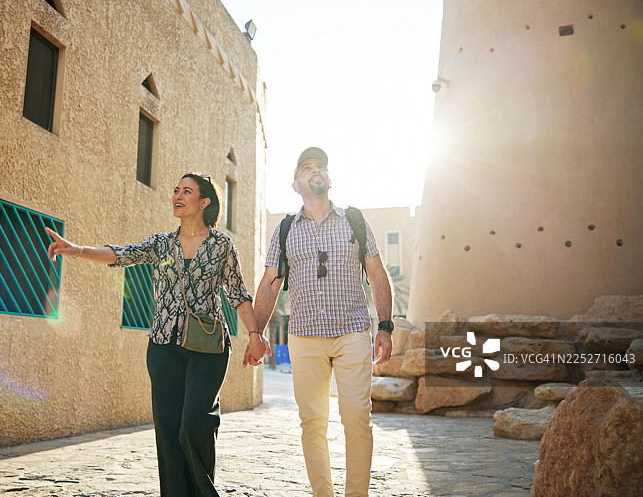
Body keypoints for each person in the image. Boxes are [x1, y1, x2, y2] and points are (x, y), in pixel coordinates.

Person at [45, 172, 270, 497]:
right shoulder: (161, 244)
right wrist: (77, 250)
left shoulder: (221, 245)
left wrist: (254, 334)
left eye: (187, 191)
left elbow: (237, 293)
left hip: (208, 347)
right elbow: (121, 254)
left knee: (195, 424)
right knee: (168, 431)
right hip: (164, 347)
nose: (178, 196)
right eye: (176, 190)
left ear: (203, 202)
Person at [247, 148, 394, 497]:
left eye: (320, 167)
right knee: (312, 422)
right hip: (305, 337)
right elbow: (270, 283)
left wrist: (385, 327)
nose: (315, 170)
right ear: (295, 185)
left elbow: (376, 273)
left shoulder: (354, 221)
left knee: (357, 417)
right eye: (306, 167)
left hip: (352, 333)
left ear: (329, 179)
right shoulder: (285, 230)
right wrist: (256, 332)